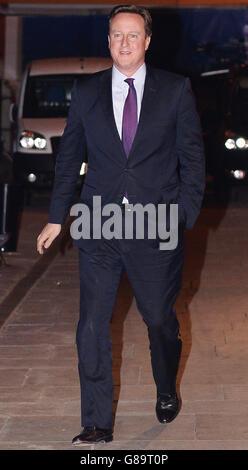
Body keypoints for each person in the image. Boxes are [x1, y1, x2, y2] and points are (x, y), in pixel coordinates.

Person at [37, 4, 205, 445]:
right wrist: (58, 217)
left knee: (159, 321)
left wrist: (184, 212)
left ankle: (166, 386)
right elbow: (69, 159)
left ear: (148, 41)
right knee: (91, 324)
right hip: (99, 224)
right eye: (117, 35)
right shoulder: (87, 91)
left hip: (156, 225)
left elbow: (192, 158)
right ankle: (97, 423)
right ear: (108, 40)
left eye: (133, 35)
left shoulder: (175, 90)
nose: (124, 43)